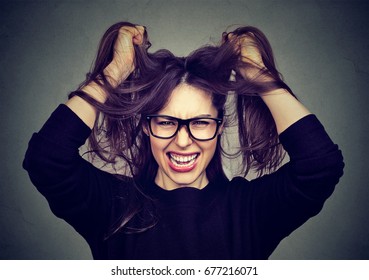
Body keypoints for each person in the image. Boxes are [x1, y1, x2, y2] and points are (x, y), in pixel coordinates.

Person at [23, 22, 344, 259]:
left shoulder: (251, 210)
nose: (183, 141)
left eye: (200, 123)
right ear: (147, 125)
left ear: (218, 127)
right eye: (166, 121)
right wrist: (116, 70)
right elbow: (47, 160)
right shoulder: (112, 206)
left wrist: (259, 75)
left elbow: (320, 166)